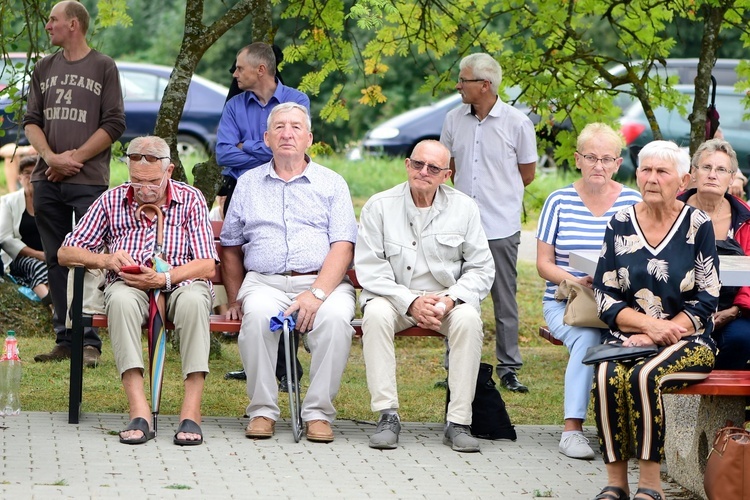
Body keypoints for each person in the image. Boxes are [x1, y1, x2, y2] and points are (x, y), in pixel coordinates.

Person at [58, 136, 218, 446]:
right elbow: (66, 253)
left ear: (169, 171)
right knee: (118, 300)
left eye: (152, 182)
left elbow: (206, 265)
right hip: (130, 285)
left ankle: (191, 411)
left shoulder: (191, 199)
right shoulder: (112, 199)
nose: (143, 189)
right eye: (136, 181)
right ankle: (139, 410)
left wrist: (165, 278)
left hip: (179, 282)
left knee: (196, 302)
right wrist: (106, 259)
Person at [220, 102, 357, 443]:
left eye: (296, 127)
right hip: (265, 282)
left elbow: (343, 246)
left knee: (337, 319)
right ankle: (263, 411)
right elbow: (231, 245)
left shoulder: (332, 183)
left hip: (322, 282)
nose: (287, 133)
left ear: (309, 138)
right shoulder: (248, 183)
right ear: (266, 138)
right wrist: (235, 297)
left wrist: (317, 295)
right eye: (279, 127)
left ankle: (318, 414)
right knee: (257, 319)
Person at [591, 140, 718, 500]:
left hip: (689, 341)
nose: (651, 178)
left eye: (662, 171)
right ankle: (616, 483)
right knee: (606, 376)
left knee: (644, 376)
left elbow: (707, 297)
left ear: (683, 180)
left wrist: (662, 332)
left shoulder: (697, 224)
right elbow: (605, 295)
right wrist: (647, 327)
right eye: (646, 170)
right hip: (629, 337)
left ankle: (651, 485)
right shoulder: (619, 223)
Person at [354, 140, 494, 452]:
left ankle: (458, 422)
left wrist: (450, 299)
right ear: (407, 165)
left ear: (446, 175)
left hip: (446, 300)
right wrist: (410, 302)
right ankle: (387, 415)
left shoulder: (464, 208)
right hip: (394, 299)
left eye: (433, 168)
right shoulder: (379, 206)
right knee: (374, 316)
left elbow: (482, 268)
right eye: (418, 164)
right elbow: (370, 269)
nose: (423, 172)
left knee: (469, 320)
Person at [23, 1, 126, 367]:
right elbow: (31, 121)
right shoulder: (43, 67)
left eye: (53, 19)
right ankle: (63, 338)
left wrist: (75, 158)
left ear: (73, 24)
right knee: (55, 258)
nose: (48, 25)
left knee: (88, 259)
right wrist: (51, 158)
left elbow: (114, 124)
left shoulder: (103, 66)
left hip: (89, 181)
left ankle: (89, 340)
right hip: (47, 178)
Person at [536, 123, 642, 460]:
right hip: (568, 301)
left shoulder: (633, 202)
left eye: (606, 158)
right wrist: (574, 278)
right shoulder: (558, 201)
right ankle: (572, 430)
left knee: (638, 341)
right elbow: (543, 263)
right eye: (591, 157)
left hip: (621, 301)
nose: (599, 165)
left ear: (618, 162)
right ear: (578, 159)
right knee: (587, 338)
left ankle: (631, 430)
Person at [440, 52, 537, 393]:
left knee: (504, 298)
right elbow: (448, 167)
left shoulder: (517, 123)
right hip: (460, 225)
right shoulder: (453, 119)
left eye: (463, 80)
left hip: (500, 225)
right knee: (457, 295)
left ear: (485, 85)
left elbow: (527, 174)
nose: (458, 86)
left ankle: (508, 368)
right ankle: (455, 364)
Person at [216, 41, 309, 384]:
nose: (234, 73)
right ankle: (260, 359)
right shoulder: (234, 106)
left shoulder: (296, 101)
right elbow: (225, 154)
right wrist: (267, 146)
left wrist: (249, 145)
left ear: (260, 70)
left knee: (288, 269)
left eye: (239, 67)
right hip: (246, 193)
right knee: (249, 272)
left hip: (289, 191)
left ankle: (287, 366)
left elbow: (293, 149)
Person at [678, 138, 750, 370]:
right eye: (706, 167)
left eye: (721, 170)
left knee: (741, 340)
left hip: (734, 308)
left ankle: (717, 401)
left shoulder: (745, 218)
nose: (712, 175)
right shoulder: (671, 210)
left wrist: (735, 310)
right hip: (677, 306)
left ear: (731, 178)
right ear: (693, 173)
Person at [0, 155, 53, 309]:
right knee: (35, 265)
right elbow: (5, 239)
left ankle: (55, 306)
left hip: (50, 256)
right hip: (19, 259)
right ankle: (53, 304)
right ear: (19, 178)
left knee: (55, 269)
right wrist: (38, 254)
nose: (31, 177)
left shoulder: (51, 202)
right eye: (27, 173)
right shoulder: (7, 202)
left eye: (36, 172)